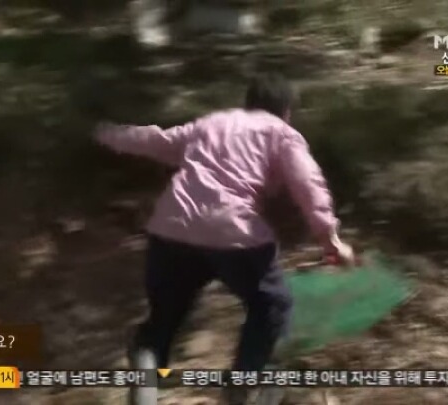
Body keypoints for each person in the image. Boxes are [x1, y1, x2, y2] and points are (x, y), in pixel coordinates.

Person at [94, 73, 354, 404]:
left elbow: (157, 141)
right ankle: (241, 390)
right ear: (287, 111)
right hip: (232, 230)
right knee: (272, 306)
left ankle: (147, 363)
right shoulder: (282, 133)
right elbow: (308, 184)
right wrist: (330, 239)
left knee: (165, 318)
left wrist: (106, 133)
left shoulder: (213, 123)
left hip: (171, 228)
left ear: (248, 102)